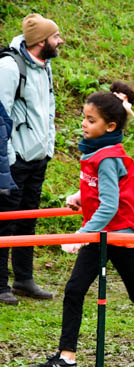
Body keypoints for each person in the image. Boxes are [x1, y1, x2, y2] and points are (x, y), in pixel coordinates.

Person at [27, 83, 134, 367]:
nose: (84, 123)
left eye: (91, 120)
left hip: (120, 233)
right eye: (84, 117)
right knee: (74, 290)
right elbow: (99, 190)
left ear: (110, 126)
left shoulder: (108, 158)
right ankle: (67, 360)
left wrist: (80, 234)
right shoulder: (95, 152)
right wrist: (79, 197)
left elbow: (109, 205)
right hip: (100, 232)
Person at [0, 14, 64, 305]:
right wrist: (11, 158)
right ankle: (0, 284)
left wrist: (47, 148)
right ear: (41, 41)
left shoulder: (44, 65)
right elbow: (2, 115)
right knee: (5, 224)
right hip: (15, 162)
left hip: (38, 159)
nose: (60, 41)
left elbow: (48, 109)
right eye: (55, 37)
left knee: (28, 221)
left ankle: (23, 279)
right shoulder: (9, 67)